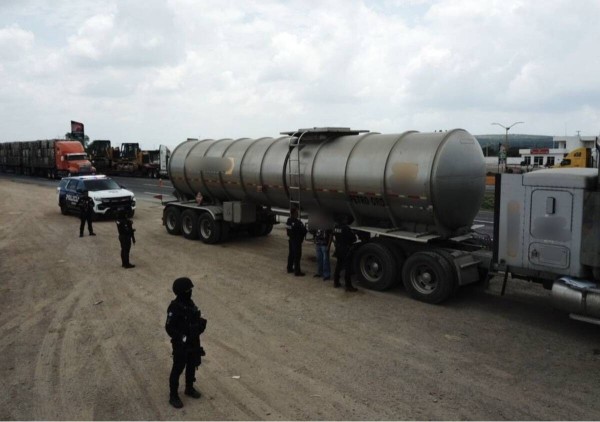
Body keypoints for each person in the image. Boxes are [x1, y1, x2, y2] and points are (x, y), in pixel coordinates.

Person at [165, 277, 207, 409]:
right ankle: (173, 396)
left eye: (190, 289)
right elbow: (169, 327)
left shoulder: (190, 303)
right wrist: (182, 338)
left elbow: (193, 319)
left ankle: (189, 388)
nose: (190, 292)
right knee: (178, 368)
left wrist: (199, 325)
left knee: (192, 365)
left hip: (193, 341)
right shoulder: (174, 307)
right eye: (188, 290)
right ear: (181, 292)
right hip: (181, 344)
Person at [332, 215, 359, 292]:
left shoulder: (336, 227)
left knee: (338, 266)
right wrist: (353, 234)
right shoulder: (346, 228)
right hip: (345, 250)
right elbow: (353, 239)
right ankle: (348, 286)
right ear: (343, 220)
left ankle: (336, 282)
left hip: (338, 249)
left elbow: (335, 236)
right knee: (348, 268)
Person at [286, 207, 307, 276]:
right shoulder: (298, 222)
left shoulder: (288, 221)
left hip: (291, 240)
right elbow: (304, 231)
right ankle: (297, 271)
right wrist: (300, 237)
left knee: (291, 255)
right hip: (297, 241)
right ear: (294, 213)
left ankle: (289, 268)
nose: (297, 214)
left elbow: (288, 231)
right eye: (297, 213)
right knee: (297, 256)